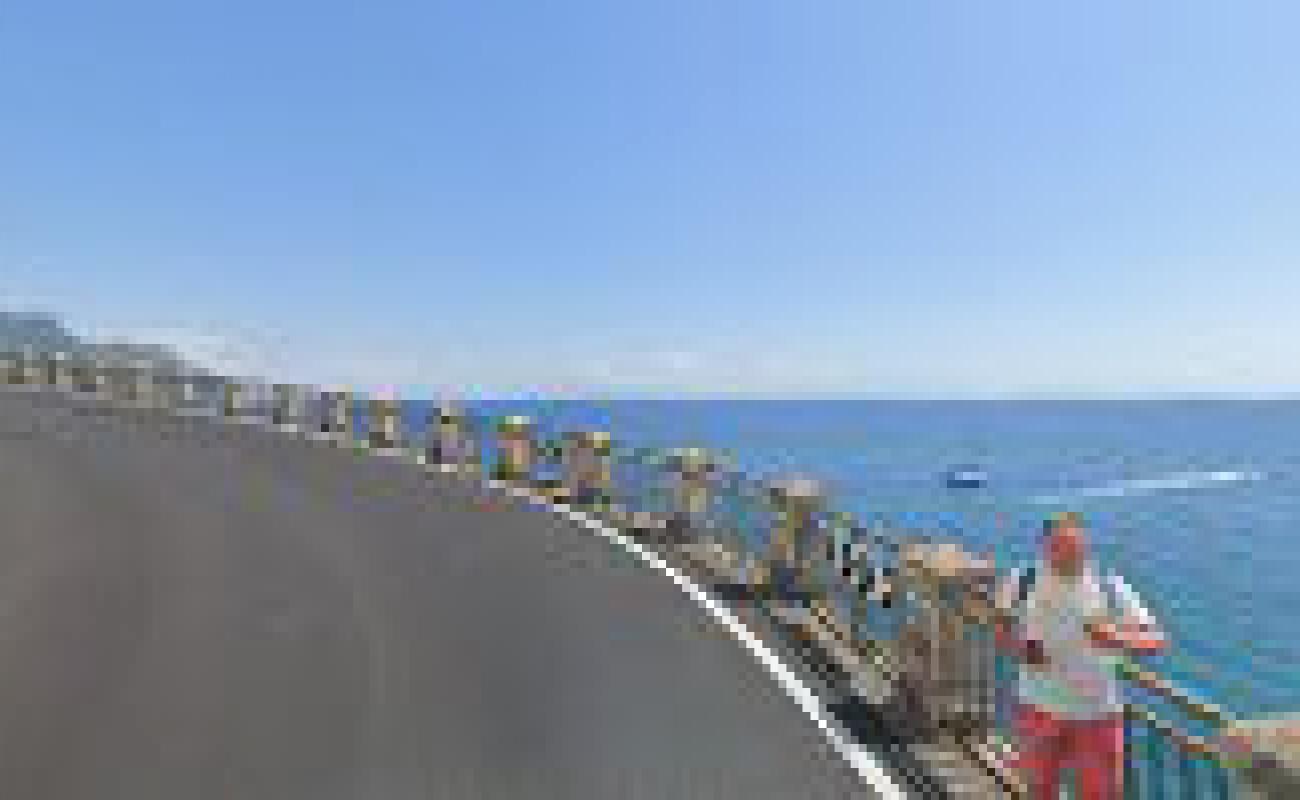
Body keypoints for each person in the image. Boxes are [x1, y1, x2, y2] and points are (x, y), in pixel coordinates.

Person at [994, 511, 1167, 800]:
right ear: (1045, 547)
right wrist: (1018, 648)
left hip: (1097, 713)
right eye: (1060, 547)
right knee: (1038, 790)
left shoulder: (1109, 586)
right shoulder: (1021, 581)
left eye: (1076, 548)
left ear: (1086, 546)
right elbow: (1000, 627)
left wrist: (1115, 638)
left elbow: (1157, 640)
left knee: (1100, 794)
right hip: (1038, 706)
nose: (1069, 556)